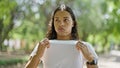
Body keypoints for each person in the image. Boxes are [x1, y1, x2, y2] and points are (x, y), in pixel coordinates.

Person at [25, 4, 98, 68]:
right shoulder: (43, 45)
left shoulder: (85, 46)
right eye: (57, 20)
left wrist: (90, 58)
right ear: (53, 23)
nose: (61, 24)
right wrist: (37, 55)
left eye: (65, 20)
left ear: (73, 23)